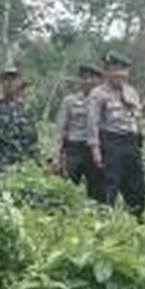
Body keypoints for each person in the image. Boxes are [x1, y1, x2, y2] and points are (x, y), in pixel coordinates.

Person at [87, 51, 145, 220]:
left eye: (122, 70)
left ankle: (136, 219)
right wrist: (95, 150)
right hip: (110, 142)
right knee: (108, 184)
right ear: (106, 72)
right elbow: (93, 124)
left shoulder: (132, 92)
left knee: (137, 185)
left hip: (131, 143)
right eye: (114, 69)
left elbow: (137, 119)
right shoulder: (98, 94)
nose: (118, 73)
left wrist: (139, 142)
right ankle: (104, 222)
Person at [53, 64, 104, 201]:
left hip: (95, 151)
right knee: (66, 189)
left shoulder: (104, 101)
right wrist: (56, 155)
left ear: (99, 81)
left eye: (92, 78)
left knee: (97, 193)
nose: (87, 81)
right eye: (84, 78)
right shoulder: (69, 101)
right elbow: (60, 129)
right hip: (73, 149)